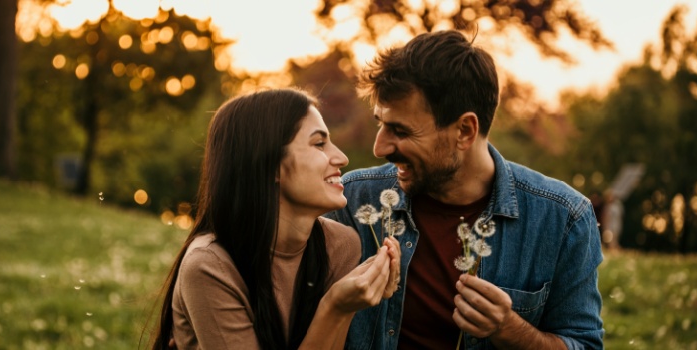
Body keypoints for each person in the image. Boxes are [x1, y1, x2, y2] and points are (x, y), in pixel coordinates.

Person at [325, 30, 604, 349]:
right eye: (381, 123)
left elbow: (584, 343)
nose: (380, 147)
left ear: (465, 130)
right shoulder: (350, 201)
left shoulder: (563, 219)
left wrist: (511, 330)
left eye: (400, 130)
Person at [149, 88, 401, 349]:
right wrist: (335, 307)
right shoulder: (211, 266)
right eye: (319, 143)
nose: (341, 157)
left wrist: (346, 306)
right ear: (269, 164)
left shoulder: (341, 246)